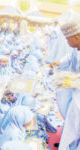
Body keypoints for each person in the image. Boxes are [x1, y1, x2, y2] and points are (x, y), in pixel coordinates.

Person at [51, 19, 80, 150]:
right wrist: (59, 62)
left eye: (69, 40)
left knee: (74, 121)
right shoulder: (76, 49)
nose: (67, 43)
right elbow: (69, 57)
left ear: (77, 37)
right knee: (72, 122)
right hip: (75, 91)